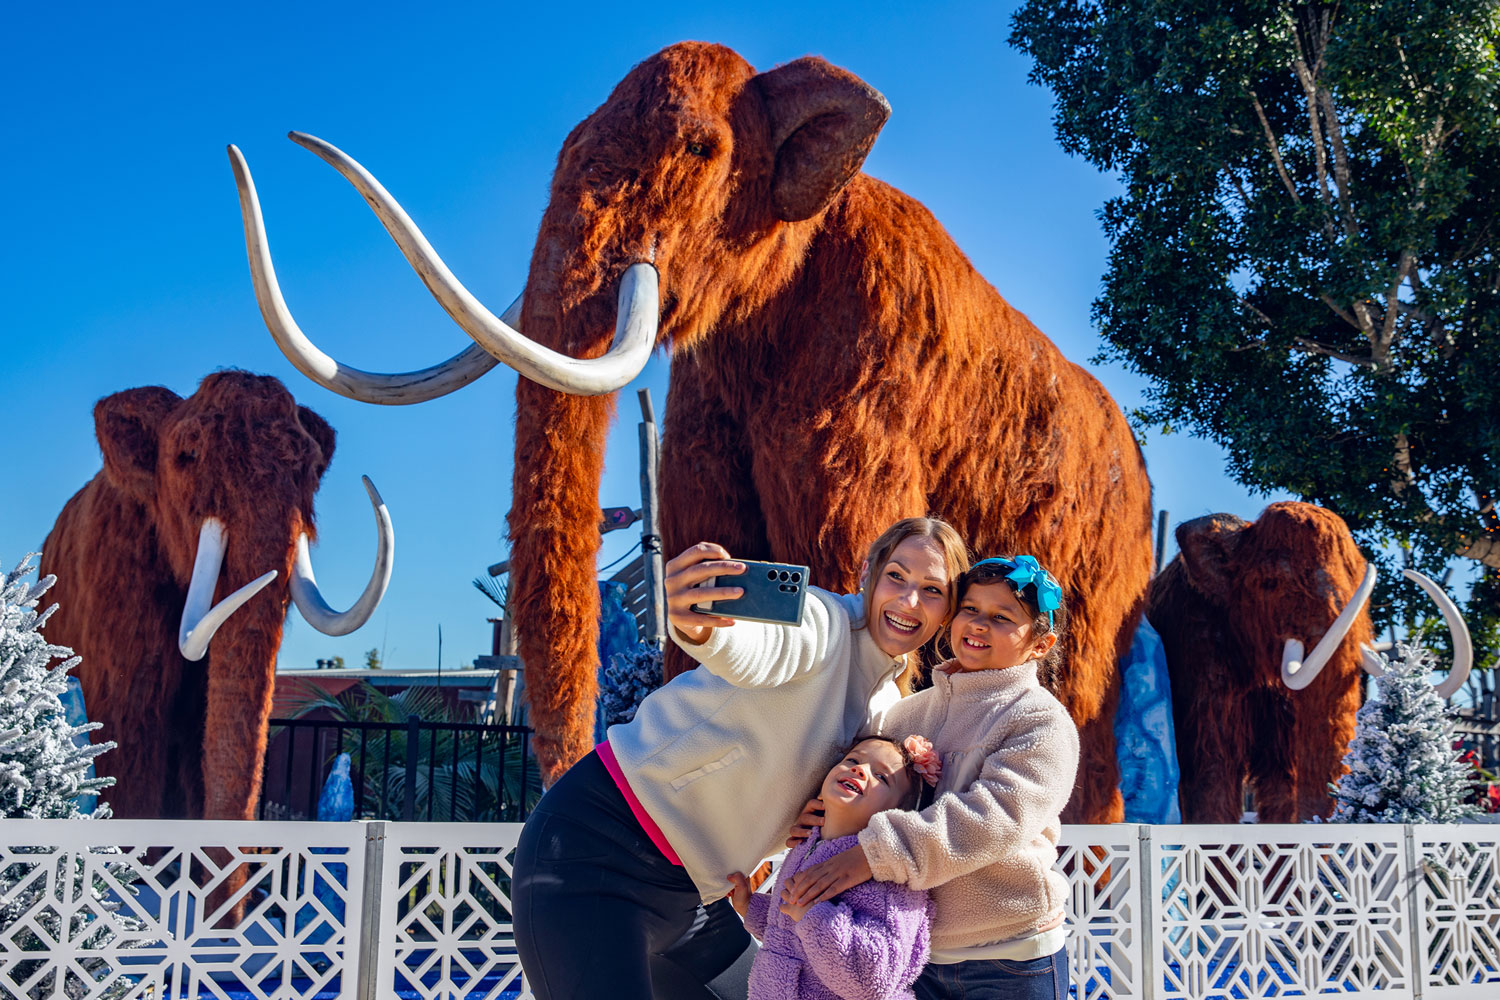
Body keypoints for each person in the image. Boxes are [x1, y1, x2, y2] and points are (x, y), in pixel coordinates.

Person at [511, 517, 969, 1000]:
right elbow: (760, 648)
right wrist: (705, 630)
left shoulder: (883, 708)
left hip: (693, 898)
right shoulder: (823, 622)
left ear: (947, 610)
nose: (908, 600)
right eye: (896, 576)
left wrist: (808, 817)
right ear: (868, 574)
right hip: (594, 848)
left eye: (931, 589)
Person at [781, 556, 1080, 1000]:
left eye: (1001, 617)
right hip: (912, 951)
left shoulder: (1039, 721)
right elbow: (866, 783)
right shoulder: (908, 714)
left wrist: (873, 855)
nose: (979, 624)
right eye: (970, 609)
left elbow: (993, 818)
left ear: (1040, 644)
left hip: (1010, 955)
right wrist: (824, 813)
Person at [726, 734, 939, 1000]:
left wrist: (812, 917)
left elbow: (871, 980)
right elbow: (788, 930)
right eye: (853, 759)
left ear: (899, 815)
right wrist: (750, 908)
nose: (860, 769)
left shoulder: (888, 880)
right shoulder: (809, 841)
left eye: (882, 777)